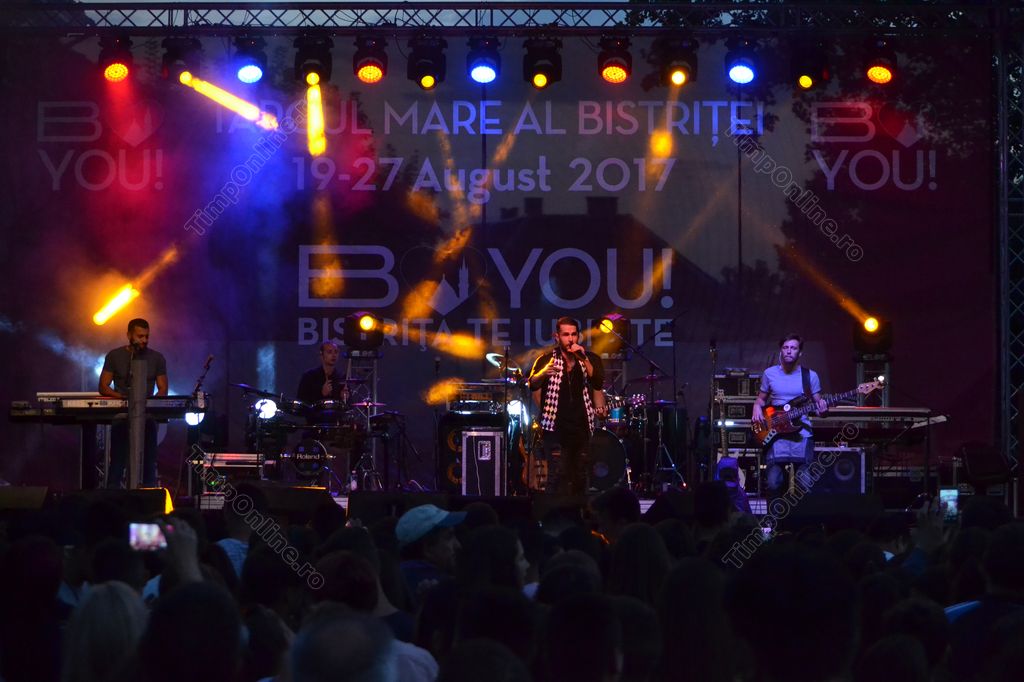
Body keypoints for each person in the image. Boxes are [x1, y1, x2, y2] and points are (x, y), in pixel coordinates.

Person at [528, 317, 607, 495]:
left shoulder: (590, 359)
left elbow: (597, 382)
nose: (570, 339)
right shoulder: (545, 360)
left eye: (573, 334)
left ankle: (580, 511)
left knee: (581, 476)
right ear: (557, 337)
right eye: (565, 335)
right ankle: (552, 511)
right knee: (556, 476)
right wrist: (543, 373)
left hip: (581, 427)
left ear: (578, 336)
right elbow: (532, 385)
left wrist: (584, 358)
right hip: (554, 428)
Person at [751, 334, 827, 500]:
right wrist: (756, 406)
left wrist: (822, 409)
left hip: (802, 434)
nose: (789, 351)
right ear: (781, 351)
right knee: (774, 482)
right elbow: (761, 399)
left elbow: (818, 405)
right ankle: (775, 516)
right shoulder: (769, 373)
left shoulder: (810, 376)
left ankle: (804, 517)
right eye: (785, 347)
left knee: (805, 482)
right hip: (776, 433)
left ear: (800, 353)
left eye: (793, 348)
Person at [98, 318, 167, 488]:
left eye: (147, 336)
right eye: (140, 336)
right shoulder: (114, 356)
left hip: (146, 416)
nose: (144, 340)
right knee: (117, 462)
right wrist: (122, 398)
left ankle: (149, 500)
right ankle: (113, 498)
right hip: (122, 415)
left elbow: (163, 389)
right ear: (129, 335)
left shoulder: (157, 358)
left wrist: (149, 403)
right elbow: (103, 386)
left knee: (149, 462)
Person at [296, 340, 349, 406]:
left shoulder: (342, 377)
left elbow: (348, 405)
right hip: (315, 412)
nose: (334, 355)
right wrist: (321, 393)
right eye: (329, 352)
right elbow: (301, 401)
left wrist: (345, 398)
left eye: (336, 352)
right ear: (321, 355)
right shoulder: (309, 376)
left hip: (336, 412)